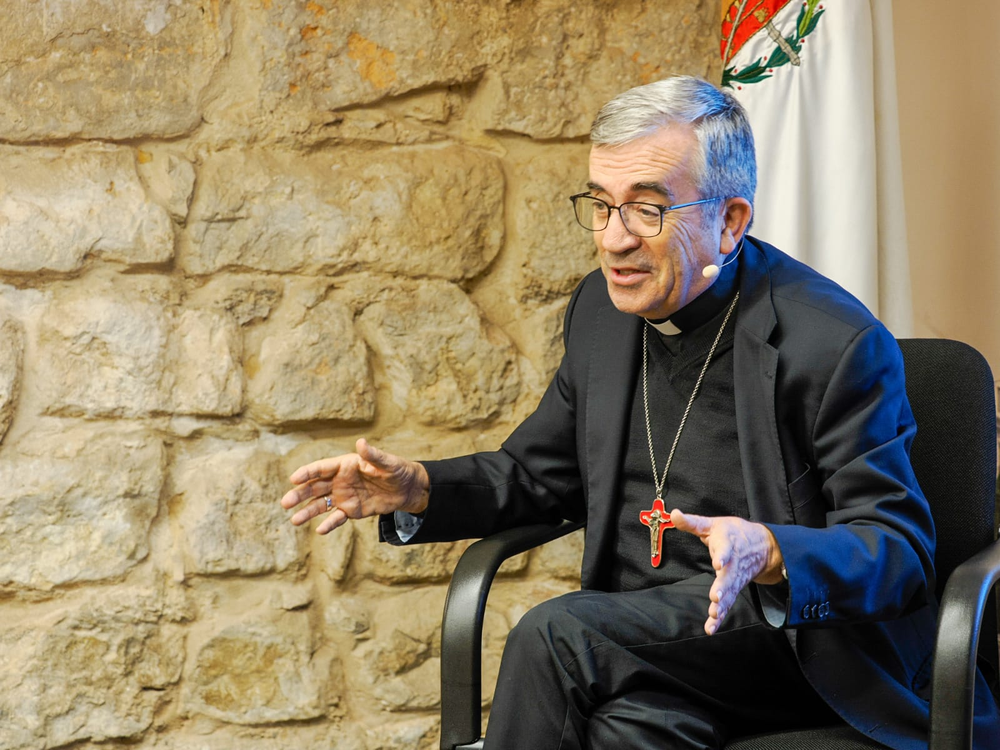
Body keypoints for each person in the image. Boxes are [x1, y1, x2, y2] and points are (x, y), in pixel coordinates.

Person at [280, 76, 999, 749]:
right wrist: (419, 489)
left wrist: (772, 551)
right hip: (649, 651)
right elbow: (539, 475)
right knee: (626, 732)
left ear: (729, 221)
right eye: (601, 204)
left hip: (786, 645)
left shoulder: (832, 342)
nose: (614, 238)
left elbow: (897, 552)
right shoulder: (602, 311)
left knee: (556, 634)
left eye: (647, 209)